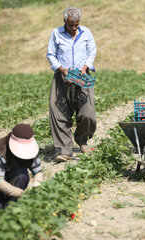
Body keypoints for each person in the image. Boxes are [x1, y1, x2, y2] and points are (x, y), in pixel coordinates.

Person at [46, 6, 97, 162]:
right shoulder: (56, 33)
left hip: (82, 77)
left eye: (76, 25)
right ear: (64, 22)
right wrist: (61, 68)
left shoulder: (86, 33)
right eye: (70, 25)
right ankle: (65, 150)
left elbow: (92, 51)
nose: (74, 28)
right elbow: (51, 54)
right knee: (59, 113)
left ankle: (82, 140)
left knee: (88, 113)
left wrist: (85, 66)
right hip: (62, 77)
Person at [0, 124, 43, 209]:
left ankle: (10, 203)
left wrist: (36, 184)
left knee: (21, 175)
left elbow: (38, 172)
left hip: (10, 178)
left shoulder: (31, 148)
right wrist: (19, 193)